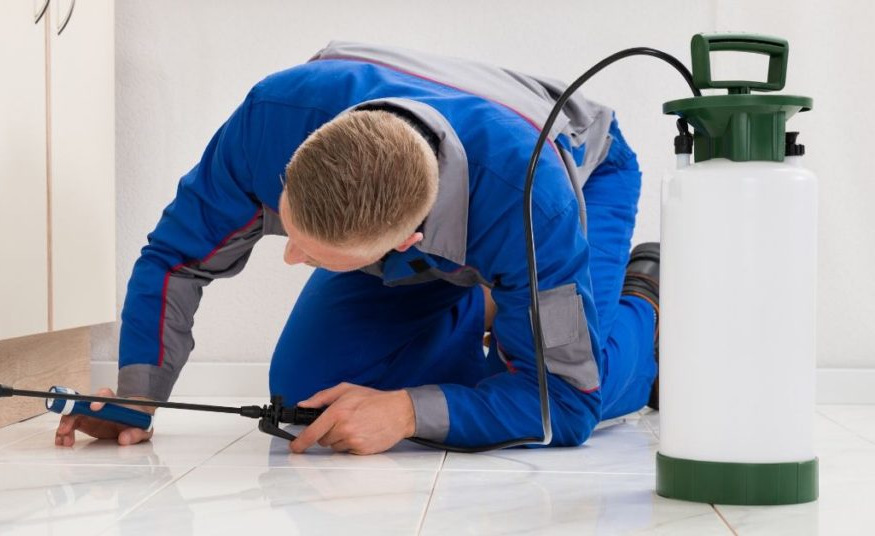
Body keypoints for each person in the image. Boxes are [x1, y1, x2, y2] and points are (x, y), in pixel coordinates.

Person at [54, 42, 660, 455]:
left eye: (314, 256)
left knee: (581, 381)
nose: (291, 257)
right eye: (290, 230)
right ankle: (501, 310)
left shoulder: (534, 210)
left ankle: (649, 301)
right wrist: (138, 395)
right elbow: (174, 260)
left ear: (405, 245)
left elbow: (563, 405)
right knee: (306, 394)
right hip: (456, 204)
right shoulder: (270, 123)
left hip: (583, 171)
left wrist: (407, 413)